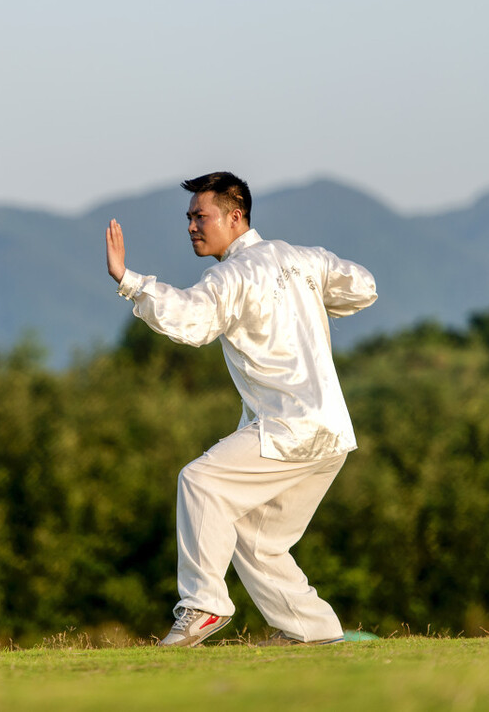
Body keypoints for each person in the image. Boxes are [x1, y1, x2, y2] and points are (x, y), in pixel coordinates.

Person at [105, 171, 377, 647]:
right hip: (331, 434)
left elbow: (190, 320)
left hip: (286, 430)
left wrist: (129, 282)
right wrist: (311, 295)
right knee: (256, 538)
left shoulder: (234, 274)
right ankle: (313, 633)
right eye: (188, 217)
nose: (191, 226)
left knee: (200, 482)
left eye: (200, 216)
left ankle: (203, 606)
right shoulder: (304, 260)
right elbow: (362, 286)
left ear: (236, 216)